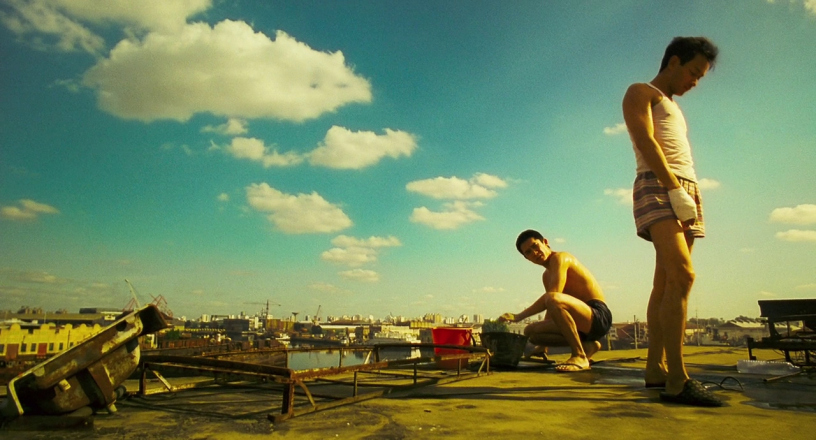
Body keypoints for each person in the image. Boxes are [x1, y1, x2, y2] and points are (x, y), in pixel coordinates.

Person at [622, 36, 722, 407]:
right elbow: (645, 139)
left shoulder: (675, 107)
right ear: (674, 61)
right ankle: (679, 380)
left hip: (686, 185)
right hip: (659, 182)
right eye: (693, 72)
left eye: (700, 77)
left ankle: (656, 369)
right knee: (683, 276)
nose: (695, 82)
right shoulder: (641, 92)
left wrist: (686, 191)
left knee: (665, 282)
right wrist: (673, 188)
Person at [498, 229, 612, 372]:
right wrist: (543, 346)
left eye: (535, 246)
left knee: (552, 298)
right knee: (531, 332)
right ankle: (587, 346)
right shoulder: (546, 275)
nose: (535, 253)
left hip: (597, 316)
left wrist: (518, 316)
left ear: (545, 242)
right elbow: (552, 308)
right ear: (527, 258)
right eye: (528, 252)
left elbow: (553, 297)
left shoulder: (560, 258)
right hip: (579, 321)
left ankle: (579, 355)